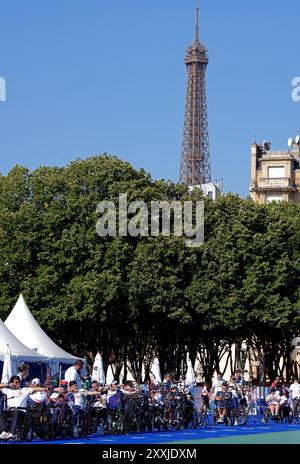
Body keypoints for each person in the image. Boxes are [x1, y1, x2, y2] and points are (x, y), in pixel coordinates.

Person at [0, 375, 46, 440]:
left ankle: (12, 433)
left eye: (19, 382)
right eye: (16, 382)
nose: (18, 384)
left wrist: (45, 389)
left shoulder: (24, 390)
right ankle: (4, 431)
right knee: (1, 413)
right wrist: (8, 385)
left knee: (16, 412)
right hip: (11, 411)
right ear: (12, 383)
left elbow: (36, 389)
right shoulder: (8, 391)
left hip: (21, 411)